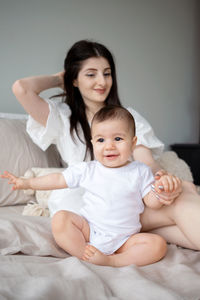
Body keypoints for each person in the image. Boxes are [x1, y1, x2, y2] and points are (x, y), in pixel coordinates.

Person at [11, 40, 200, 251]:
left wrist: (162, 179)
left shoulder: (127, 118)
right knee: (181, 203)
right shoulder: (62, 117)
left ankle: (137, 234)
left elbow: (146, 161)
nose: (102, 81)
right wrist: (59, 79)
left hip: (126, 196)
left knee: (185, 189)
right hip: (87, 204)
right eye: (91, 74)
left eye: (107, 73)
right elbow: (22, 89)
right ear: (74, 79)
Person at [1, 105, 177, 267]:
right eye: (101, 140)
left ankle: (113, 261)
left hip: (125, 239)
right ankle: (84, 253)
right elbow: (57, 179)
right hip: (89, 232)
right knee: (61, 219)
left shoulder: (140, 170)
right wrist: (28, 182)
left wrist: (161, 189)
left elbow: (153, 203)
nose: (109, 146)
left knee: (158, 244)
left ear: (132, 143)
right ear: (93, 143)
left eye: (117, 138)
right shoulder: (88, 169)